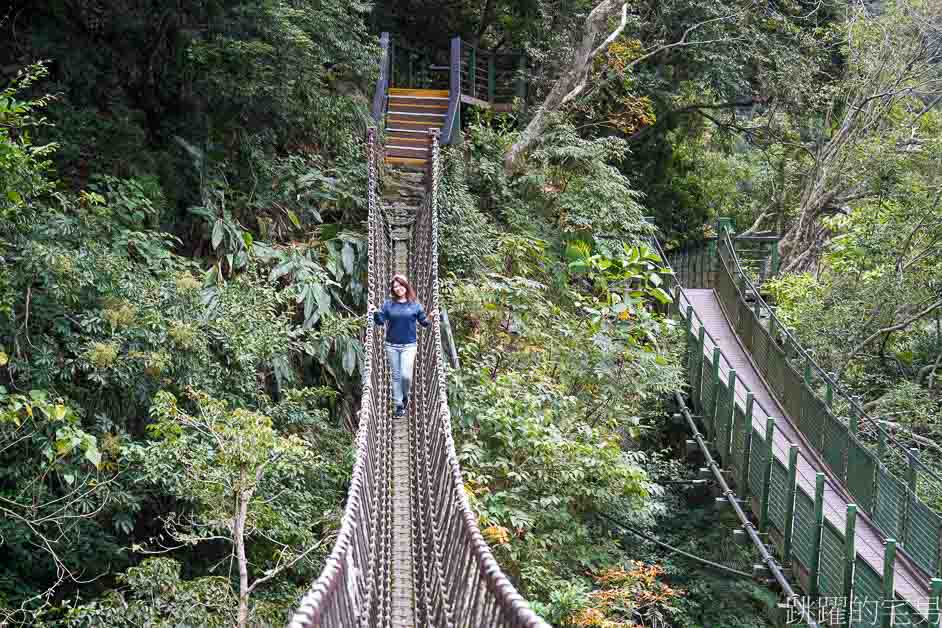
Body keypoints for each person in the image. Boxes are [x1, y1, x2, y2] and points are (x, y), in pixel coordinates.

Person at [369, 274, 436, 417]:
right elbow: (380, 321)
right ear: (393, 290)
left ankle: (405, 396)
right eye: (395, 287)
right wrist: (375, 312)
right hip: (391, 345)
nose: (398, 288)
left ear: (406, 286)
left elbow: (424, 323)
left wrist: (430, 316)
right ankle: (399, 405)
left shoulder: (415, 305)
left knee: (406, 376)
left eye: (400, 285)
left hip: (409, 346)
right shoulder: (388, 304)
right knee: (396, 376)